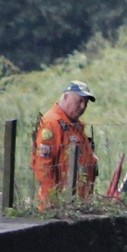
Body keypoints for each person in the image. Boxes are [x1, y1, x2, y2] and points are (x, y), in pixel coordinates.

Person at [31, 80, 98, 208]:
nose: (83, 106)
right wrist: (51, 200)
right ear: (66, 97)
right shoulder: (51, 123)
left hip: (77, 203)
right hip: (59, 204)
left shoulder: (75, 126)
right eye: (79, 101)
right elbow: (43, 165)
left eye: (86, 103)